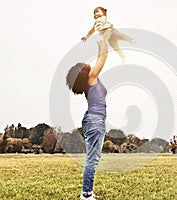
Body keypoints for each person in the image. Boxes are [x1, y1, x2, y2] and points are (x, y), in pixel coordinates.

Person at [67, 29, 111, 200]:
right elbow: (104, 59)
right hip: (95, 120)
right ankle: (86, 195)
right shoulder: (91, 78)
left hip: (92, 119)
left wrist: (101, 47)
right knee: (92, 159)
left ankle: (88, 192)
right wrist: (106, 40)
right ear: (84, 73)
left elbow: (100, 58)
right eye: (85, 66)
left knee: (92, 158)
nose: (88, 65)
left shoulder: (91, 79)